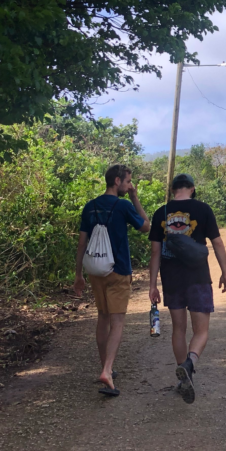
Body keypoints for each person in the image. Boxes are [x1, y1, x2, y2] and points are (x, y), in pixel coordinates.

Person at [149, 173, 226, 404]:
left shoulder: (161, 212)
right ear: (192, 188)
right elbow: (217, 243)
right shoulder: (203, 209)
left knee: (179, 329)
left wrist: (153, 284)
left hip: (171, 278)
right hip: (198, 277)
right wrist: (225, 272)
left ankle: (182, 376)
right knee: (201, 330)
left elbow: (155, 252)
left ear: (173, 189)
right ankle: (189, 363)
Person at [74, 164, 150, 397]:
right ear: (117, 181)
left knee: (103, 317)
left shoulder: (90, 206)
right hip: (118, 271)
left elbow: (82, 243)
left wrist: (78, 275)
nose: (130, 186)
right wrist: (135, 198)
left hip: (95, 271)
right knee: (117, 322)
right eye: (128, 182)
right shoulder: (123, 205)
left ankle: (105, 366)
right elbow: (146, 227)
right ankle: (107, 371)